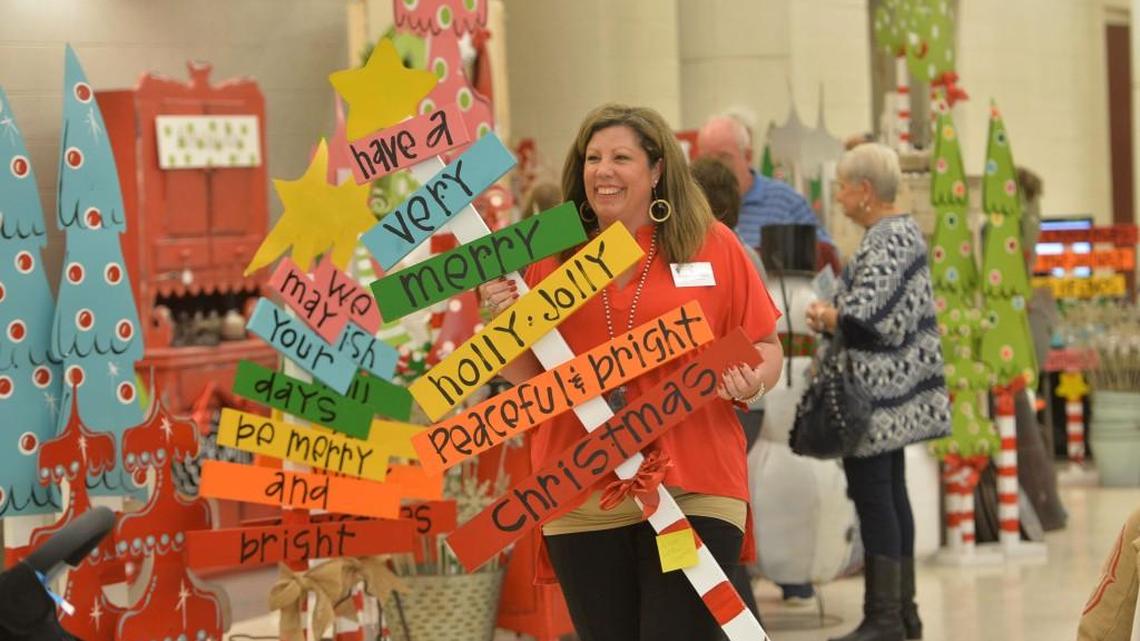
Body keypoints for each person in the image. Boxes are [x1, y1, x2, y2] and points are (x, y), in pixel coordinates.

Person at [479, 103, 784, 641]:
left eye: (621, 157)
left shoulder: (711, 246)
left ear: (657, 169)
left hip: (694, 480)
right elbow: (530, 375)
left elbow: (764, 345)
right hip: (581, 487)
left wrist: (752, 379)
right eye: (593, 157)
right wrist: (502, 325)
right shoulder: (550, 255)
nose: (604, 170)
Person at [804, 143, 951, 641]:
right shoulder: (899, 232)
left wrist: (826, 315)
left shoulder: (886, 238)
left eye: (844, 187)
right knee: (891, 498)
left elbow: (870, 320)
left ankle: (885, 618)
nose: (840, 197)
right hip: (891, 399)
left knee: (875, 501)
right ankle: (901, 613)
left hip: (875, 401)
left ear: (865, 191)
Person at [696, 113, 836, 256]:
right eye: (706, 159)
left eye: (723, 158)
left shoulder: (787, 201)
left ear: (748, 156)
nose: (714, 167)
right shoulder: (693, 206)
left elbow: (827, 255)